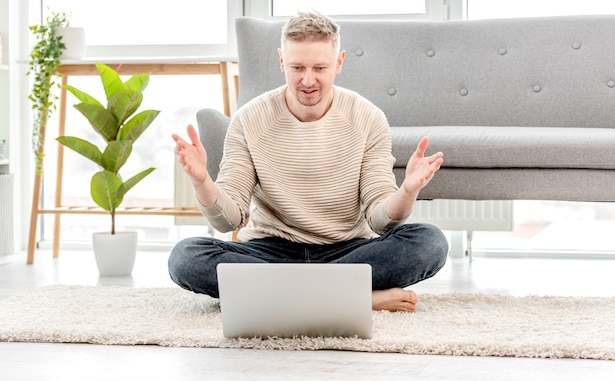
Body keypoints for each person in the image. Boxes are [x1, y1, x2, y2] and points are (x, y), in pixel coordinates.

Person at [169, 11, 448, 313]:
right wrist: (202, 182)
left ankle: (285, 297)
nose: (308, 80)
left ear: (339, 62)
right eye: (297, 67)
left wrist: (406, 191)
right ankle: (352, 299)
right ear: (281, 61)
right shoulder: (249, 119)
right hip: (270, 250)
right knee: (185, 257)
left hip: (348, 251)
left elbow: (380, 220)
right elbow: (229, 220)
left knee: (430, 242)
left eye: (319, 68)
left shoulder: (368, 117)